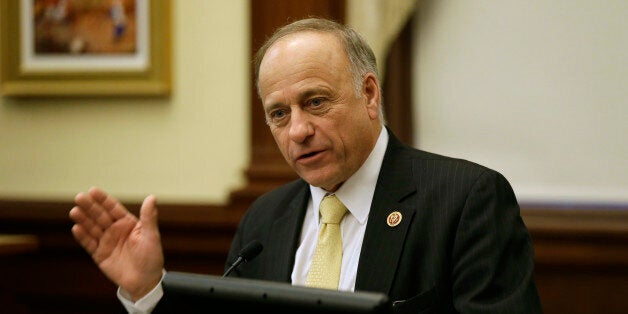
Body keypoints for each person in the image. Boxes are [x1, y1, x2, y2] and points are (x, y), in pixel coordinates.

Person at [69, 17, 542, 313]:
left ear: (370, 95)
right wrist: (149, 289)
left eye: (315, 102)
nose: (297, 131)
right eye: (279, 113)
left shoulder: (464, 200)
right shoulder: (264, 221)